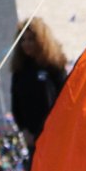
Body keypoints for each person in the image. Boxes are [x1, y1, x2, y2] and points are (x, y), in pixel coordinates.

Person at [8, 19, 69, 151]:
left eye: (30, 39)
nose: (26, 44)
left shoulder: (54, 66)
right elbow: (16, 105)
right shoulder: (19, 71)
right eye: (23, 40)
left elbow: (65, 98)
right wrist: (24, 130)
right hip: (33, 138)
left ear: (41, 40)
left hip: (56, 134)